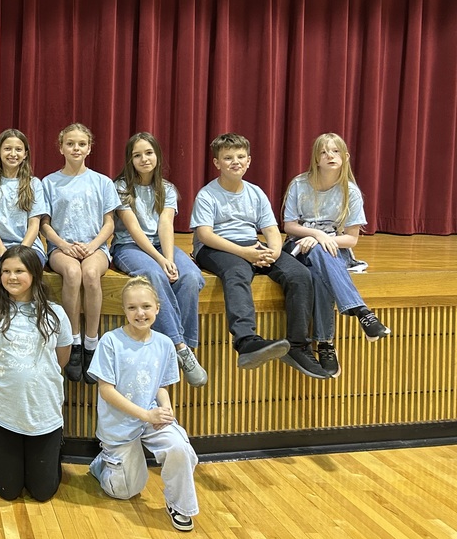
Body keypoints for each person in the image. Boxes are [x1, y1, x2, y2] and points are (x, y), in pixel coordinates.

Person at [190, 133, 327, 378]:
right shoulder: (207, 194)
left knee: (299, 273)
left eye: (241, 157)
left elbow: (271, 229)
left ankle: (298, 344)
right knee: (237, 272)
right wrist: (246, 254)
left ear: (249, 161)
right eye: (228, 157)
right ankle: (246, 342)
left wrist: (273, 252)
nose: (235, 162)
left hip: (252, 245)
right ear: (217, 163)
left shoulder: (256, 193)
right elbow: (205, 235)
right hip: (216, 248)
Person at [87, 276, 200, 532]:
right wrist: (146, 415)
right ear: (124, 310)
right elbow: (106, 391)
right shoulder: (110, 341)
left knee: (181, 449)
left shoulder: (164, 344)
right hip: (122, 424)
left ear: (157, 308)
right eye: (133, 308)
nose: (140, 313)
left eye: (146, 306)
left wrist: (165, 409)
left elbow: (161, 385)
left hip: (151, 417)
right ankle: (103, 464)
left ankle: (180, 506)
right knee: (126, 491)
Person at [0, 245, 73, 501]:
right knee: (8, 491)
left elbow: (61, 360)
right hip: (1, 412)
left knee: (43, 492)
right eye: (5, 271)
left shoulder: (55, 314)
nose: (11, 277)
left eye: (19, 271)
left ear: (35, 274)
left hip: (42, 413)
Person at [282, 133, 390, 377]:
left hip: (333, 247)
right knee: (320, 252)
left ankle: (325, 344)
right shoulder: (299, 184)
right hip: (299, 246)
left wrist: (322, 239)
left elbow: (351, 239)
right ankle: (362, 313)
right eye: (323, 152)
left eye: (335, 151)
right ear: (316, 159)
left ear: (345, 157)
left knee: (319, 277)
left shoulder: (350, 191)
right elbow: (289, 226)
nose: (330, 156)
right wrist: (316, 235)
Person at [110, 133, 207, 387]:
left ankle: (185, 350)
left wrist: (168, 256)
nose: (144, 159)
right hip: (130, 245)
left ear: (157, 156)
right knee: (153, 275)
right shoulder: (120, 187)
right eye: (137, 155)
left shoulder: (167, 188)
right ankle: (179, 345)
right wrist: (160, 260)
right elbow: (133, 229)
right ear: (130, 160)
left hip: (161, 245)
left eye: (149, 153)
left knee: (190, 276)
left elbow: (166, 224)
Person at [41, 123, 117, 383]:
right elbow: (44, 223)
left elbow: (109, 223)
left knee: (91, 273)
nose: (76, 148)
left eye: (81, 144)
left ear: (89, 148)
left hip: (94, 246)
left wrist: (93, 245)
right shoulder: (49, 182)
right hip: (61, 247)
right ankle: (73, 342)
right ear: (61, 147)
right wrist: (63, 244)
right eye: (70, 143)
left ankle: (91, 343)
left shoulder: (102, 182)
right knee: (73, 273)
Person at [0, 129, 48, 295]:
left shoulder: (34, 184)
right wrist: (4, 254)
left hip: (29, 248)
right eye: (7, 148)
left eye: (18, 149)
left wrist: (19, 254)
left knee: (24, 278)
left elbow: (34, 224)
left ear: (25, 154)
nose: (13, 153)